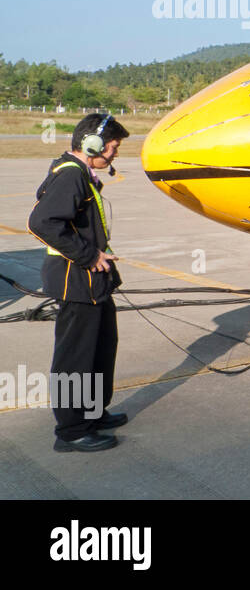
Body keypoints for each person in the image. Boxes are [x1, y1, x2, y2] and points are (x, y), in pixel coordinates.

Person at [28, 113, 130, 452]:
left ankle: (92, 412)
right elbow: (43, 222)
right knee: (76, 356)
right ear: (93, 145)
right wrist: (88, 256)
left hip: (94, 281)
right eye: (113, 148)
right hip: (77, 280)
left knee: (102, 348)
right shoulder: (71, 176)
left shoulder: (83, 175)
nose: (115, 154)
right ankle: (71, 431)